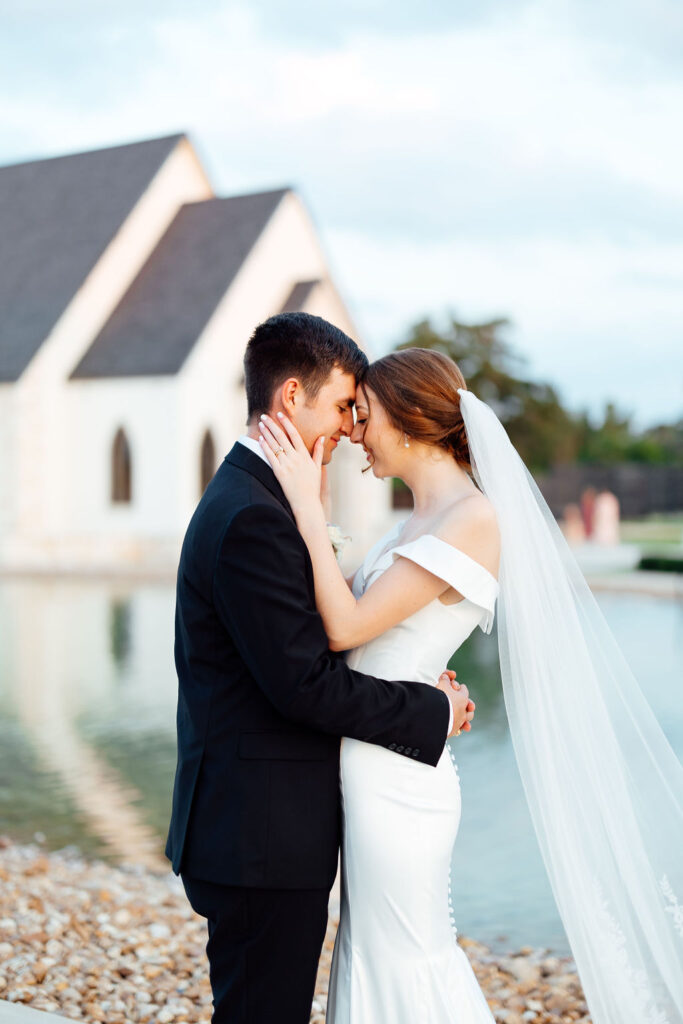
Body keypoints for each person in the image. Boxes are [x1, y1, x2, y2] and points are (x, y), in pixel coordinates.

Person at [259, 347, 683, 1024]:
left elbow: (345, 628)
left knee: (406, 955)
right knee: (373, 948)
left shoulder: (472, 518)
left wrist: (307, 510)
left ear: (404, 421)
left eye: (364, 418)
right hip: (374, 756)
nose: (355, 436)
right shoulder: (414, 523)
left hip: (399, 781)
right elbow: (369, 640)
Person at [165, 313, 473, 1024]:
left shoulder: (256, 498)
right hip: (258, 836)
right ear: (291, 396)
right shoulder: (253, 516)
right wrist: (430, 710)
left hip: (259, 828)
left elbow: (305, 653)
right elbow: (303, 686)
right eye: (340, 406)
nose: (347, 428)